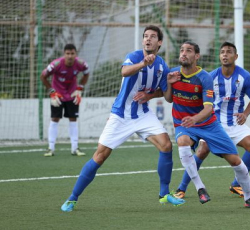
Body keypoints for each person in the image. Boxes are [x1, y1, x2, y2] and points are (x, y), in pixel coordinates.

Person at [60, 25, 185, 212]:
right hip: (121, 114)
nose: (147, 39)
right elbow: (124, 72)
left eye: (152, 37)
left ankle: (164, 194)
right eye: (145, 36)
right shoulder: (135, 56)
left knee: (166, 144)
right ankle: (72, 198)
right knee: (100, 156)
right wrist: (143, 63)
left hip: (142, 113)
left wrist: (167, 85)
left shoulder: (161, 66)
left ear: (159, 42)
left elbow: (167, 98)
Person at [166, 41, 250, 209]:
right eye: (222, 52)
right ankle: (184, 187)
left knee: (248, 150)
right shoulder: (207, 75)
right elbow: (167, 96)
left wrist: (245, 114)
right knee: (199, 149)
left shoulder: (241, 76)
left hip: (221, 123)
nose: (225, 54)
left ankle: (244, 192)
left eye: (229, 52)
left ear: (236, 56)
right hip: (205, 120)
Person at [40, 44, 89, 157]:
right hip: (58, 95)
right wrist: (52, 92)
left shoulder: (81, 64)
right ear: (64, 54)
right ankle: (50, 148)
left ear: (75, 54)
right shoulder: (56, 64)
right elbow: (43, 76)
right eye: (67, 54)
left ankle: (75, 148)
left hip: (72, 94)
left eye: (72, 53)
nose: (70, 56)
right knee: (55, 118)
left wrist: (80, 87)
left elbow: (87, 73)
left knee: (73, 119)